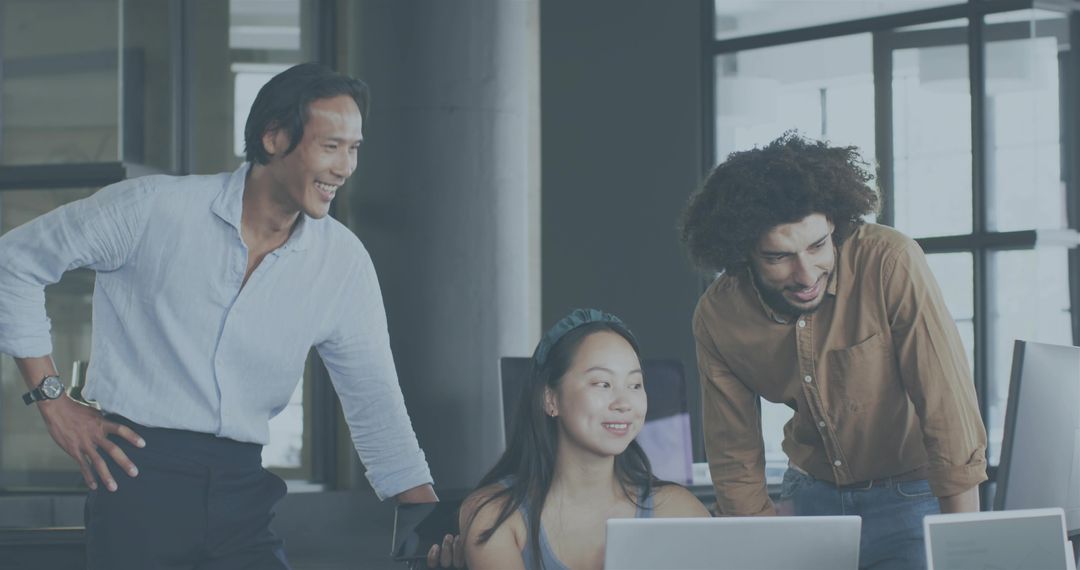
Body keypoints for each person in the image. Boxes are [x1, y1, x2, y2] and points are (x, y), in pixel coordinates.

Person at [0, 63, 437, 569]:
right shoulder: (154, 209)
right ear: (274, 138)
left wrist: (434, 520)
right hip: (137, 476)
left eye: (354, 148)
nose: (345, 167)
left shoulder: (342, 262)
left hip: (243, 491)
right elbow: (14, 263)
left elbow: (375, 399)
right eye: (331, 146)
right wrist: (52, 400)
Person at [679, 132, 987, 570]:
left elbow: (947, 410)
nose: (806, 274)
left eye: (818, 245)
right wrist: (760, 546)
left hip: (914, 497)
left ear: (836, 226)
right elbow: (734, 457)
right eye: (778, 257)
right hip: (810, 499)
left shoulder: (889, 262)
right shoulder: (718, 316)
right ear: (742, 254)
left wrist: (964, 551)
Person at [458, 309, 710, 570]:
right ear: (550, 399)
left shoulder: (679, 511)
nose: (624, 403)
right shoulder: (495, 515)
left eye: (635, 385)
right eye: (602, 383)